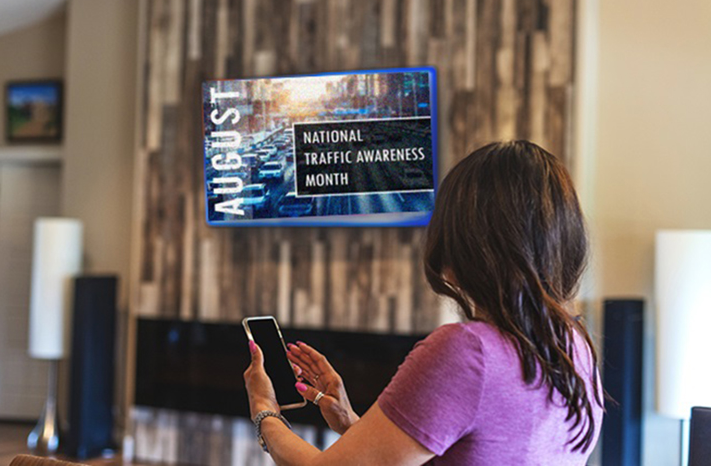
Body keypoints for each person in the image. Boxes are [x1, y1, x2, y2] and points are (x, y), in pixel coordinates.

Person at [244, 140, 604, 465]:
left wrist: (265, 411)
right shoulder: (575, 347)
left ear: (463, 241)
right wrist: (350, 422)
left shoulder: (467, 352)